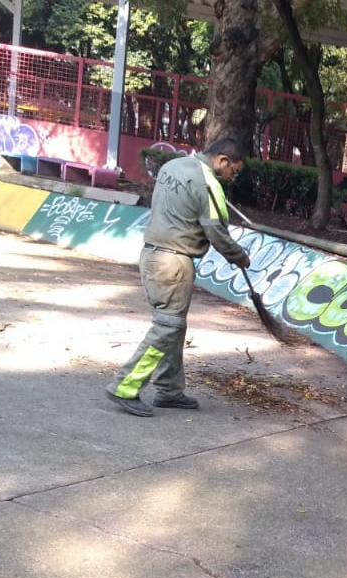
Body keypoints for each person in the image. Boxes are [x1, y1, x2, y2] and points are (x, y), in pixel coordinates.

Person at [105, 138, 251, 417]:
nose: (235, 176)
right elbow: (217, 231)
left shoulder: (173, 166)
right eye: (236, 169)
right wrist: (239, 257)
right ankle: (125, 386)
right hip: (173, 262)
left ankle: (168, 389)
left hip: (152, 255)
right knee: (168, 327)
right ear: (222, 160)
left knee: (174, 326)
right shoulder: (208, 184)